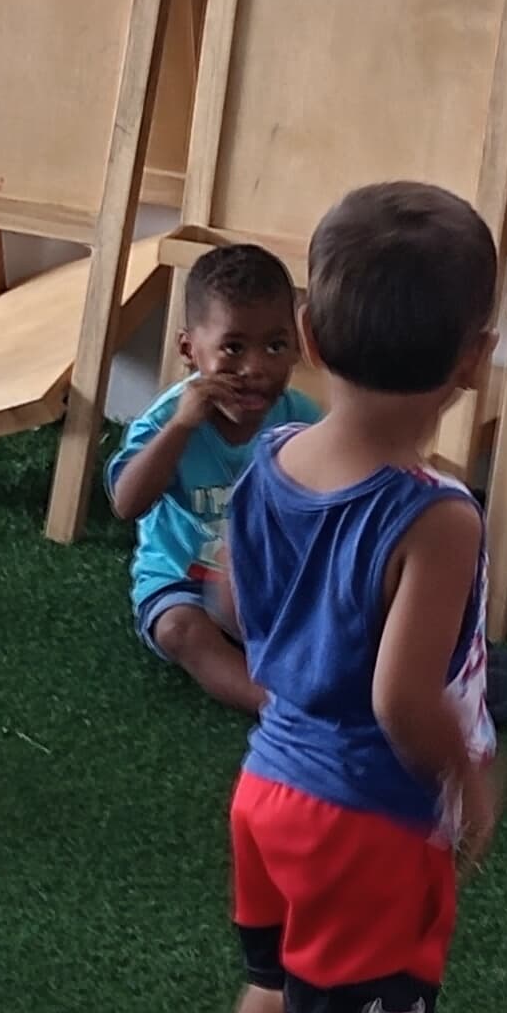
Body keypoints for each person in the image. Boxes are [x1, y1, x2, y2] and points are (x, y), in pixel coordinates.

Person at [201, 181, 504, 1013]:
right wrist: (469, 769)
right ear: (475, 358)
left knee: (278, 985)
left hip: (268, 787)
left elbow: (237, 597)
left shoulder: (275, 456)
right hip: (364, 819)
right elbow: (402, 700)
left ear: (310, 337)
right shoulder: (438, 516)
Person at [106, 241, 320, 714]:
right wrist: (181, 427)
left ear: (297, 346)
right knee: (178, 629)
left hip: (269, 583)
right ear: (189, 349)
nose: (255, 369)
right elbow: (126, 503)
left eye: (275, 346)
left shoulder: (302, 421)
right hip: (183, 579)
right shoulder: (166, 421)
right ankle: (280, 708)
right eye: (233, 347)